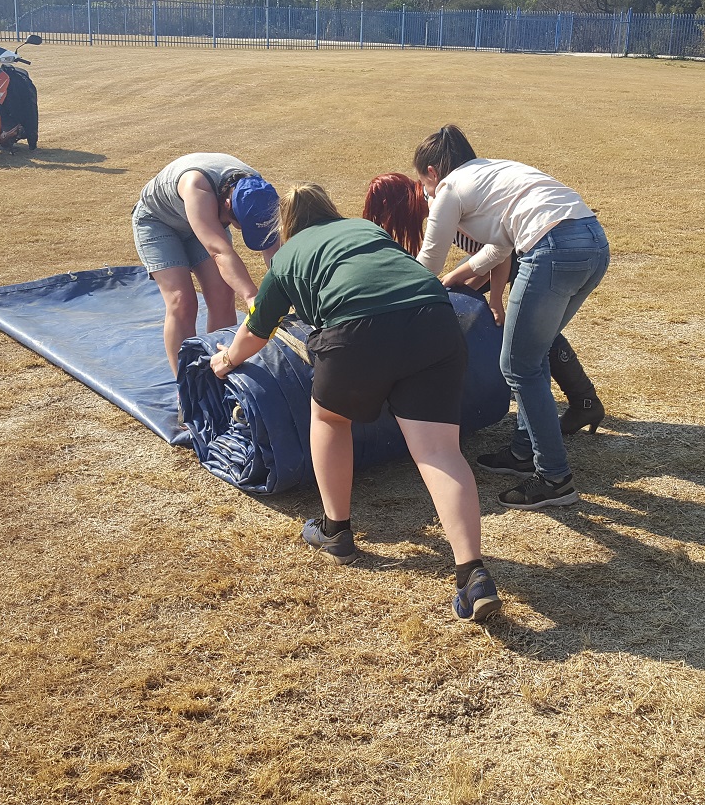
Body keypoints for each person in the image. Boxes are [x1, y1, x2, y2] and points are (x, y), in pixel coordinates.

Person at [209, 183, 502, 622]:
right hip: (436, 320)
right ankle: (472, 574)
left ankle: (336, 530)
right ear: (330, 210)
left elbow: (256, 329)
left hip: (356, 328)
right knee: (439, 452)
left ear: (287, 225)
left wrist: (227, 359)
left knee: (329, 418)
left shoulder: (286, 257)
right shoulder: (365, 229)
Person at [410, 125, 610, 510]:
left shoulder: (448, 188)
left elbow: (429, 261)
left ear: (432, 172)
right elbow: (498, 249)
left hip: (552, 248)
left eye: (423, 182)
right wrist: (456, 278)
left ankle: (554, 478)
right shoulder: (491, 172)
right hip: (593, 241)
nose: (425, 190)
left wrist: (398, 295)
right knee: (534, 352)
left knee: (518, 365)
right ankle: (523, 451)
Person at [363, 173, 605, 435]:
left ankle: (578, 405)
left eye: (386, 217)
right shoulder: (435, 200)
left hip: (530, 250)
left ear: (396, 206)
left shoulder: (440, 206)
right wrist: (465, 285)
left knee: (530, 333)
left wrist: (495, 300)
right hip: (523, 246)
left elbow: (501, 253)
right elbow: (484, 254)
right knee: (523, 326)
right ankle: (583, 400)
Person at [132, 153, 281, 376]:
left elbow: (273, 250)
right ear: (228, 204)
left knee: (223, 293)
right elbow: (220, 252)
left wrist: (284, 292)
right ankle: (186, 384)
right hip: (159, 222)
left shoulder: (259, 193)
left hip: (205, 217)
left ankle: (219, 371)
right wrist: (253, 298)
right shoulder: (197, 185)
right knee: (182, 301)